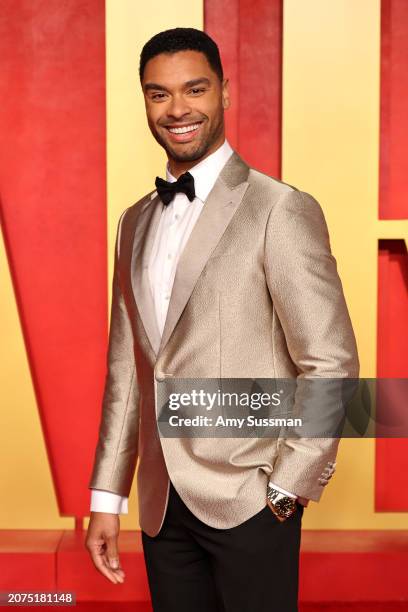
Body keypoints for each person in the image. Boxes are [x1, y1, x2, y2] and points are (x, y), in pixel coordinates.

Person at [85, 27, 359, 612]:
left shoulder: (279, 209)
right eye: (159, 94)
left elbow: (329, 361)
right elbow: (127, 371)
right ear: (144, 102)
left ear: (225, 94)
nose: (178, 108)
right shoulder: (133, 223)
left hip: (249, 497)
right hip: (162, 507)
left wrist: (287, 488)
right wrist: (107, 496)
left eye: (195, 89)